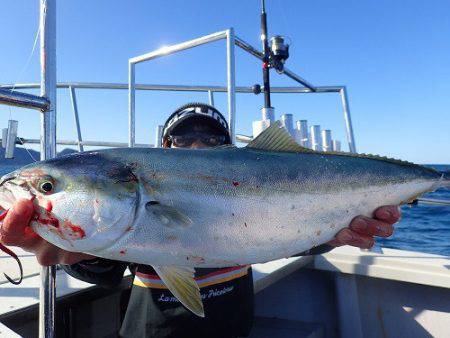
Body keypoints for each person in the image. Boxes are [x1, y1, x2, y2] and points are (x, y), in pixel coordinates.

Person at [0, 103, 400, 337]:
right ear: (163, 149)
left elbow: (289, 226)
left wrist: (338, 233)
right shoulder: (127, 212)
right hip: (150, 329)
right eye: (180, 140)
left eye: (210, 141)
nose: (195, 146)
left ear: (230, 149)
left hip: (231, 326)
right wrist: (73, 248)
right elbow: (104, 265)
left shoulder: (248, 180)